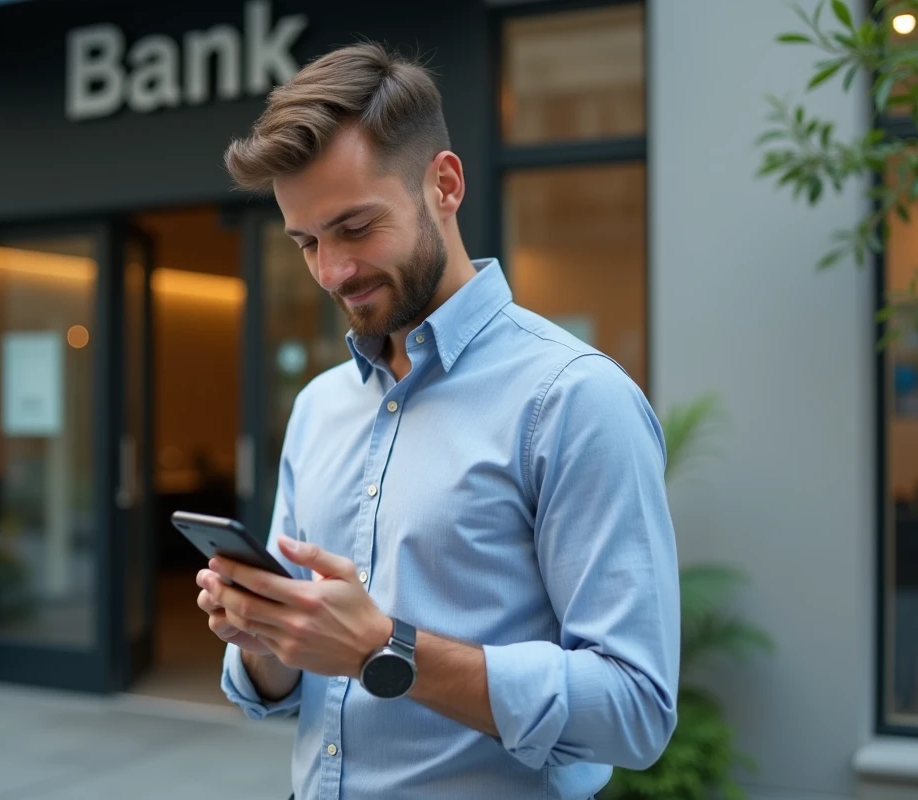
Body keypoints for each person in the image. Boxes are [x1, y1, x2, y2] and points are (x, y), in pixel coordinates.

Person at [194, 42, 680, 800]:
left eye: (356, 228)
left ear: (444, 185)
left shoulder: (574, 399)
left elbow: (636, 712)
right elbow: (290, 686)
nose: (332, 272)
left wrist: (384, 649)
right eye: (307, 243)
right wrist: (269, 640)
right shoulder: (320, 406)